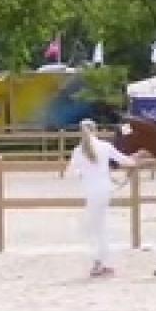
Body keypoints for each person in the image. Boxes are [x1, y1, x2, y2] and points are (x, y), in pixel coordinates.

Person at [62, 119, 137, 278]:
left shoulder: (78, 151)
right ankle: (101, 262)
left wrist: (82, 174)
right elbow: (125, 161)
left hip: (90, 191)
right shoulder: (105, 146)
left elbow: (69, 173)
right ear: (95, 130)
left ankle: (99, 262)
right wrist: (137, 159)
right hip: (104, 190)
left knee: (95, 227)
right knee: (100, 226)